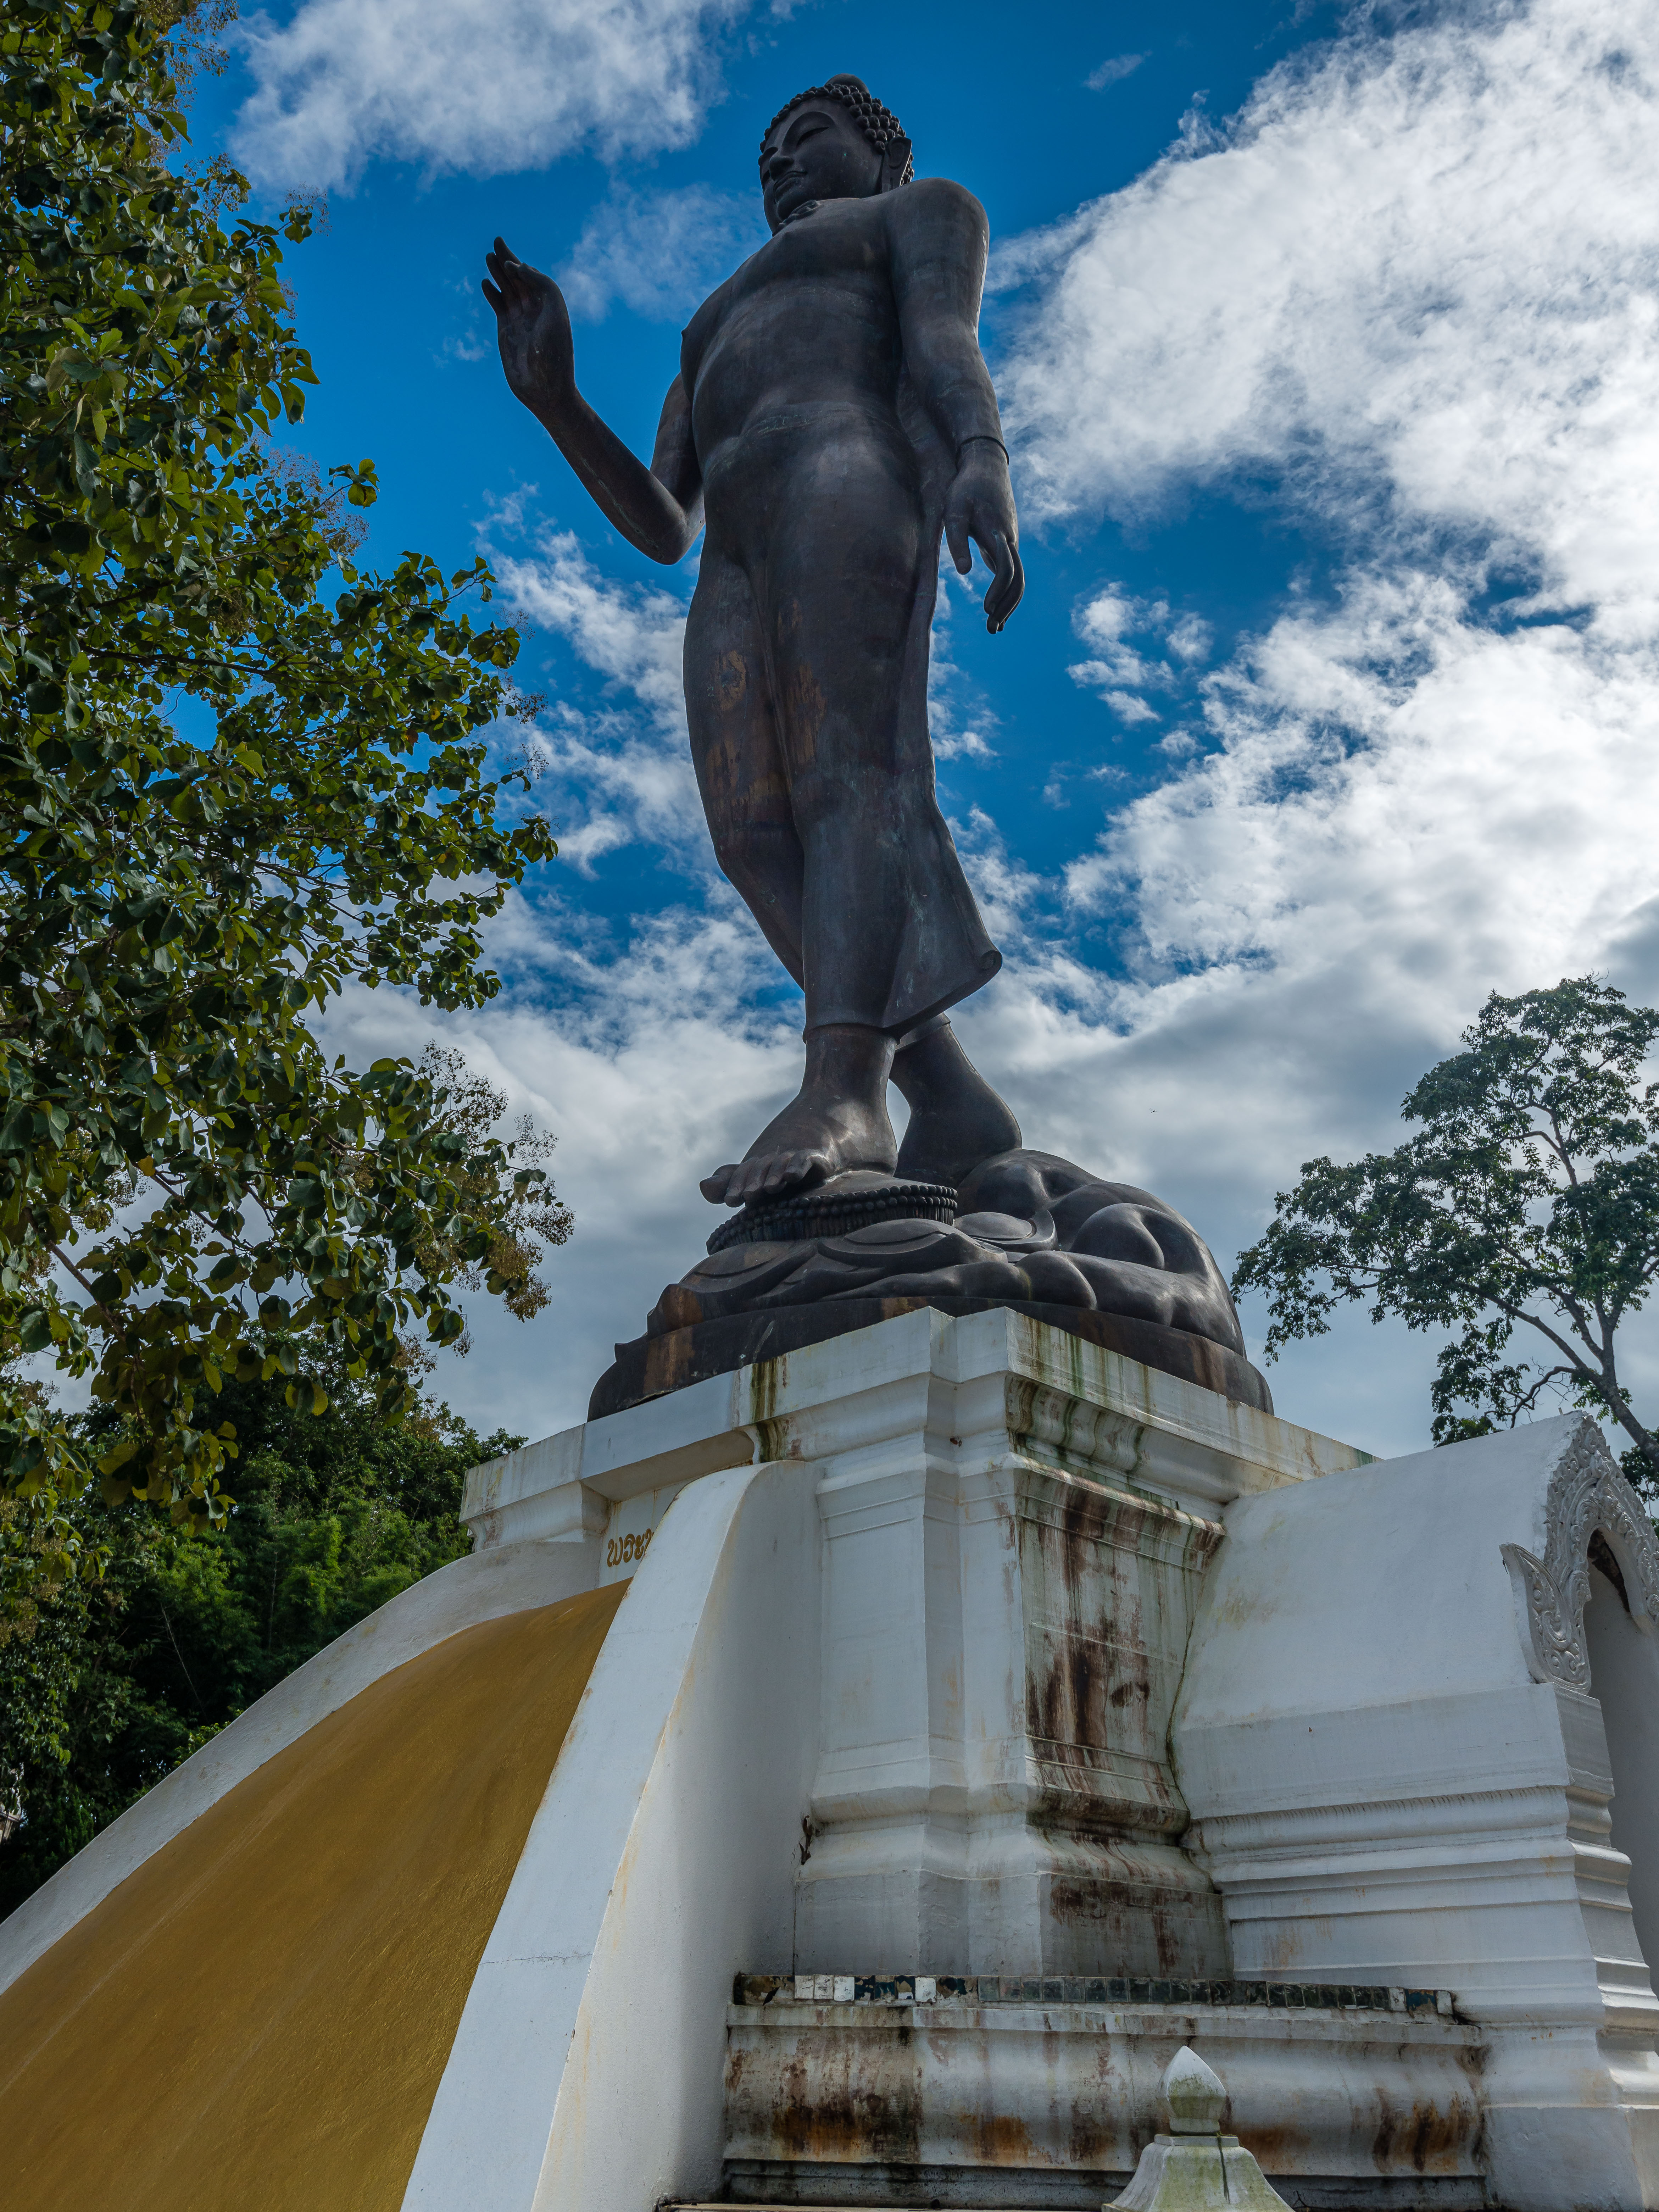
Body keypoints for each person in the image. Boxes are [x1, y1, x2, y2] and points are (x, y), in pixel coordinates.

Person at [484, 73, 1027, 1209]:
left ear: (883, 152)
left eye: (807, 137)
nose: (779, 161)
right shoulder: (708, 320)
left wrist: (981, 455)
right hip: (731, 539)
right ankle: (949, 1090)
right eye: (765, 151)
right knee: (749, 828)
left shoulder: (917, 211)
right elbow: (661, 523)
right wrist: (555, 399)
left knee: (852, 780)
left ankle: (846, 1088)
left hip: (846, 470)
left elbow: (940, 340)